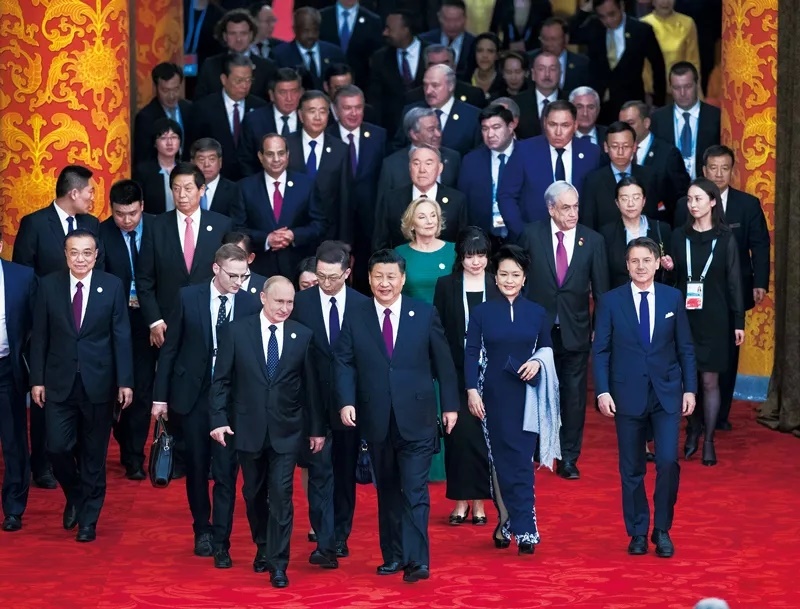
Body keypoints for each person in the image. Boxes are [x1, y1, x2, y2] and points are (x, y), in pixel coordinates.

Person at [334, 249, 459, 582]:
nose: (384, 283)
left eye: (391, 277)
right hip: (376, 418)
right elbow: (344, 361)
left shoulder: (424, 313)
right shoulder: (356, 315)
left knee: (415, 489)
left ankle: (418, 561)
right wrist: (346, 401)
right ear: (369, 279)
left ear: (403, 279)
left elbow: (444, 362)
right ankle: (393, 556)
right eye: (378, 276)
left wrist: (450, 405)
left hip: (417, 416)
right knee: (388, 490)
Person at [210, 276, 325, 588]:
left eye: (290, 302)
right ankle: (262, 545)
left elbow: (312, 389)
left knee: (281, 493)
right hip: (247, 428)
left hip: (287, 430)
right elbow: (221, 381)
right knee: (253, 493)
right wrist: (218, 419)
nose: (285, 308)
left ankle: (278, 563)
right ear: (263, 298)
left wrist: (316, 430)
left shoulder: (303, 335)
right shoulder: (236, 332)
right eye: (279, 301)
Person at [152, 244, 262, 568]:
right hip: (193, 395)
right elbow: (170, 349)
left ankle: (220, 536)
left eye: (243, 276)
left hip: (230, 398)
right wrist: (160, 398)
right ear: (216, 269)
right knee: (197, 466)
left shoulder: (250, 303)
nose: (238, 282)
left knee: (226, 470)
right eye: (233, 276)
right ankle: (201, 528)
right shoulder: (188, 297)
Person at [593, 236, 697, 558]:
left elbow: (685, 347)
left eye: (646, 260)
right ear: (627, 265)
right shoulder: (610, 301)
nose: (641, 266)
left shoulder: (672, 297)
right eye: (635, 261)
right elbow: (601, 350)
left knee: (667, 461)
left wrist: (690, 388)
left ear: (656, 263)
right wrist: (602, 390)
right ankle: (637, 531)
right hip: (627, 394)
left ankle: (662, 529)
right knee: (631, 467)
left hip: (666, 393)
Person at [29, 229, 134, 542]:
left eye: (87, 252)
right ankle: (75, 494)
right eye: (74, 252)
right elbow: (40, 336)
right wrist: (37, 379)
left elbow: (121, 335)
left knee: (94, 454)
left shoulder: (111, 286)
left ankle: (89, 519)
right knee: (56, 447)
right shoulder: (49, 285)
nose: (80, 259)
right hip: (58, 381)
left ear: (96, 255)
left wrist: (125, 381)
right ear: (65, 254)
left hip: (98, 382)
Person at [13, 164, 104, 490]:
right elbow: (23, 276)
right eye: (90, 191)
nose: (93, 197)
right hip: (49, 328)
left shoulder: (92, 224)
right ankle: (42, 465)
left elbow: (102, 274)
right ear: (74, 192)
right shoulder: (35, 224)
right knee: (46, 400)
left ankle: (76, 461)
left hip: (87, 327)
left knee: (82, 397)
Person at [674, 145, 770, 430]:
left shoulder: (747, 204)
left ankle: (720, 415)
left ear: (732, 171)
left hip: (730, 293)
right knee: (691, 356)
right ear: (703, 170)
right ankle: (695, 416)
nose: (718, 173)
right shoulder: (685, 205)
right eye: (713, 168)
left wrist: (760, 282)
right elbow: (679, 244)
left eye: (724, 168)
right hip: (692, 293)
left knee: (726, 356)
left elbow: (760, 245)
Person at [518, 181, 610, 479]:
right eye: (566, 207)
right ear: (550, 209)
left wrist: (600, 330)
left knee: (573, 397)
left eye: (576, 206)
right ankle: (538, 449)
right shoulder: (531, 235)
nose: (573, 213)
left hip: (576, 330)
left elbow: (602, 291)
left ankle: (568, 457)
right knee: (537, 391)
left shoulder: (592, 240)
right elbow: (517, 282)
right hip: (538, 331)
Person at [464, 244, 552, 553]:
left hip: (527, 395)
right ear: (495, 277)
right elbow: (471, 352)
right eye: (504, 274)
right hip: (493, 395)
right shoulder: (482, 312)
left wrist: (538, 362)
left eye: (515, 275)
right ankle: (507, 520)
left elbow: (548, 349)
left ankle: (525, 528)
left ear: (525, 277)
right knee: (500, 460)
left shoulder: (538, 312)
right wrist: (472, 390)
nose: (509, 280)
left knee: (522, 462)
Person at [291, 241, 370, 561]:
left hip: (350, 403)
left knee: (344, 471)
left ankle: (340, 535)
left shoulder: (363, 305)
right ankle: (323, 540)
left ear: (347, 273)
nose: (325, 282)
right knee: (318, 471)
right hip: (312, 401)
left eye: (332, 277)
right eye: (320, 276)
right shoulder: (301, 303)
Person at [671, 178, 744, 466]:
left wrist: (738, 320)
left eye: (699, 199)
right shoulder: (679, 236)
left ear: (713, 202)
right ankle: (693, 429)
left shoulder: (725, 238)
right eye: (689, 199)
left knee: (710, 380)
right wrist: (668, 268)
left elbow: (734, 282)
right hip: (684, 317)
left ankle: (709, 440)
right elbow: (673, 280)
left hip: (715, 317)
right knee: (687, 378)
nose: (693, 205)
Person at [433, 227, 495, 526]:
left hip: (492, 373)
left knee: (483, 439)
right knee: (458, 438)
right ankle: (460, 501)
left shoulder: (497, 283)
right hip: (456, 372)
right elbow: (438, 330)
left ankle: (480, 503)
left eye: (481, 255)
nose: (476, 262)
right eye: (470, 256)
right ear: (460, 257)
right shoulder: (446, 285)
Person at [136, 162, 234, 349]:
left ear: (201, 190)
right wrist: (155, 321)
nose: (181, 195)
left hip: (210, 317)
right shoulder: (156, 226)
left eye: (188, 188)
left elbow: (228, 274)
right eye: (176, 188)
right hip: (167, 322)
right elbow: (144, 278)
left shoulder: (221, 225)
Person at [98, 180, 156, 481]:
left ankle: (135, 457)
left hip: (148, 319)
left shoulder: (158, 228)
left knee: (142, 389)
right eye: (120, 214)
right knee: (115, 388)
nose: (127, 220)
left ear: (142, 206)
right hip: (113, 321)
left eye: (132, 213)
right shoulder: (101, 233)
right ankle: (121, 439)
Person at [497, 100, 602, 239]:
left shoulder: (591, 153)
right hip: (534, 236)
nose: (558, 132)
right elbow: (506, 196)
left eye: (565, 125)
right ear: (544, 123)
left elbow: (597, 200)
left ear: (575, 125)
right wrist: (522, 233)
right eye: (553, 124)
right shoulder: (524, 150)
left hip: (579, 237)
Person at [233, 133, 327, 279]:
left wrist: (293, 235)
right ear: (260, 156)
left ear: (288, 155)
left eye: (281, 153)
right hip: (259, 269)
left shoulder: (306, 185)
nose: (276, 159)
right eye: (270, 154)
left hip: (298, 269)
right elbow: (237, 229)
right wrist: (266, 239)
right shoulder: (245, 187)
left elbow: (319, 224)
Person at [327, 84, 388, 293]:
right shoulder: (327, 136)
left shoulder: (379, 136)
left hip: (369, 222)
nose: (354, 113)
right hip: (335, 220)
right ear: (336, 110)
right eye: (347, 108)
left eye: (358, 107)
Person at [569, 0, 666, 124]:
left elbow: (658, 66)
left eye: (612, 14)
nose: (608, 20)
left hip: (631, 103)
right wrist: (583, 12)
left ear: (621, 6)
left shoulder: (641, 30)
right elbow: (570, 35)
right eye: (602, 16)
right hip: (600, 106)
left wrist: (658, 103)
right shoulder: (594, 26)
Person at [0, 235, 36, 531]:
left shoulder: (22, 277)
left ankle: (14, 508)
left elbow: (36, 327)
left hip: (6, 368)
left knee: (13, 440)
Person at [285, 90, 351, 242]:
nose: (317, 117)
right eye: (312, 111)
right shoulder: (286, 144)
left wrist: (344, 242)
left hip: (328, 234)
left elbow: (345, 199)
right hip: (291, 232)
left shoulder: (340, 149)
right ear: (300, 115)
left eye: (322, 111)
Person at [190, 53, 267, 182]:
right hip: (215, 180)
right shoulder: (204, 109)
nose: (245, 85)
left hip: (252, 180)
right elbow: (194, 147)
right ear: (224, 79)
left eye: (249, 80)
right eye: (239, 81)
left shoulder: (260, 107)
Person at [375, 145, 468, 250]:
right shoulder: (391, 200)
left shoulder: (457, 200)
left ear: (440, 168)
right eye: (416, 163)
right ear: (409, 167)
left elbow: (463, 244)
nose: (422, 170)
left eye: (428, 164)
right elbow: (380, 244)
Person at [580, 121, 661, 231]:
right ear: (606, 147)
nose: (620, 152)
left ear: (634, 147)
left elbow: (655, 216)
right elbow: (588, 221)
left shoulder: (649, 176)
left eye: (626, 146)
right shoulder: (593, 180)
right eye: (615, 146)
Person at [619, 100, 689, 224]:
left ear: (646, 123)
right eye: (622, 124)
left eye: (630, 123)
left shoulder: (668, 153)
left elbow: (680, 198)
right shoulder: (617, 152)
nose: (625, 129)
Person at [376, 108, 462, 207]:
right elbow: (383, 207)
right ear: (414, 134)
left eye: (438, 128)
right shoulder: (392, 165)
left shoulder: (453, 158)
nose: (438, 134)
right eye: (431, 130)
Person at [458, 104, 517, 249]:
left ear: (510, 127)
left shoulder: (529, 155)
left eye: (496, 127)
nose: (490, 134)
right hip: (484, 241)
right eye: (485, 129)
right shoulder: (471, 161)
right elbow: (464, 204)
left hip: (522, 237)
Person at [649, 61, 721, 179]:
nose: (682, 93)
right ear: (670, 88)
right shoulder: (658, 119)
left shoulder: (716, 117)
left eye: (687, 86)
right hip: (669, 187)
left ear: (697, 84)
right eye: (677, 88)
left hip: (707, 185)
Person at [599, 176, 673, 288]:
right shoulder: (606, 233)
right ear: (617, 203)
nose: (631, 204)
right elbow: (603, 274)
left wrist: (669, 266)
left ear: (644, 201)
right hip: (619, 294)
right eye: (624, 199)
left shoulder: (662, 229)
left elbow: (673, 270)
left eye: (636, 198)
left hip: (655, 294)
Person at [395, 64, 482, 156]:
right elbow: (398, 148)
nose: (428, 91)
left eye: (435, 85)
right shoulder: (411, 111)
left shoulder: (472, 116)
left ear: (451, 86)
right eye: (425, 85)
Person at [194, 8, 278, 100]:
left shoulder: (267, 67)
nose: (238, 39)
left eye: (243, 33)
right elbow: (200, 102)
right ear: (225, 36)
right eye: (232, 33)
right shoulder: (210, 65)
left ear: (251, 35)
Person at [367, 10, 427, 138]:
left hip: (427, 128)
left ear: (405, 30)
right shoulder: (380, 58)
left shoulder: (431, 53)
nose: (385, 33)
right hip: (393, 133)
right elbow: (376, 100)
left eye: (389, 29)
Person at [238, 67, 304, 175]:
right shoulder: (254, 120)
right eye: (283, 92)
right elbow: (245, 162)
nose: (289, 98)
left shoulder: (309, 118)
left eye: (294, 92)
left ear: (301, 93)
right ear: (272, 95)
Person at [271, 7, 347, 91]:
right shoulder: (280, 55)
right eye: (305, 31)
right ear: (295, 29)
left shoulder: (334, 53)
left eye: (315, 30)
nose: (311, 35)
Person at [134, 62, 194, 166]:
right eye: (165, 90)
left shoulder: (190, 109)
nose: (172, 96)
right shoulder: (146, 117)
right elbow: (143, 160)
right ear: (155, 88)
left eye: (176, 89)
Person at [641, 0, 701, 100]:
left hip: (681, 91)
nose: (665, 2)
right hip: (650, 93)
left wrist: (696, 92)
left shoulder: (687, 23)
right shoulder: (642, 25)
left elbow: (693, 62)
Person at [319, 0, 384, 88]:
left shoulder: (373, 20)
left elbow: (376, 56)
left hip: (361, 84)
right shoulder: (321, 16)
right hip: (326, 81)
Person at [406, 44, 488, 109]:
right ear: (426, 68)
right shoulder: (413, 99)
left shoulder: (473, 95)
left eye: (444, 64)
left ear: (454, 67)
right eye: (433, 65)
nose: (439, 69)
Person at [134, 118, 182, 215]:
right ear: (155, 143)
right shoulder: (143, 172)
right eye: (163, 138)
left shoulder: (186, 170)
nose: (169, 143)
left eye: (174, 137)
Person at [513, 51, 565, 140]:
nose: (547, 74)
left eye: (552, 69)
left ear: (560, 74)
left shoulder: (571, 101)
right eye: (541, 69)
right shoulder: (517, 103)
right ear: (533, 74)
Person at [420, 0, 476, 82]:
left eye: (457, 20)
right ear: (439, 17)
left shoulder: (474, 44)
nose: (452, 25)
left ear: (465, 18)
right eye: (447, 20)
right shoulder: (424, 40)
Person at [533, 17, 591, 95]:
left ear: (566, 39)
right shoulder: (530, 60)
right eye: (545, 39)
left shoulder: (582, 63)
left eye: (553, 39)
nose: (548, 44)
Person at [190, 138, 243, 217]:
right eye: (201, 159)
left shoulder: (235, 191)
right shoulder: (185, 189)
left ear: (220, 162)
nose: (206, 165)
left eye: (212, 159)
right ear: (192, 163)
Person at [469, 33, 503, 100]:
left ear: (497, 55)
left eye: (490, 51)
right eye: (480, 50)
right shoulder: (464, 79)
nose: (485, 56)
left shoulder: (504, 83)